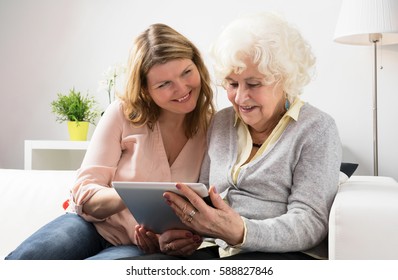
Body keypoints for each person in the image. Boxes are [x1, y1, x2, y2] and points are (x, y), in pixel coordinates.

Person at [130, 12, 342, 260]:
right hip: (213, 250)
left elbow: (311, 223)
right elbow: (206, 200)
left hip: (280, 254)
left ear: (284, 79)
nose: (240, 98)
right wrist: (182, 237)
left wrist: (242, 231)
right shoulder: (221, 122)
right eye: (232, 84)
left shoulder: (317, 128)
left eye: (253, 84)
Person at [5, 23, 215, 260]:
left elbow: (203, 209)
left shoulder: (213, 130)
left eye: (186, 72)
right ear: (146, 90)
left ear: (197, 65)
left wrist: (172, 239)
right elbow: (85, 192)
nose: (181, 88)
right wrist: (132, 197)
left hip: (139, 246)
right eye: (164, 84)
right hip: (90, 225)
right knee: (27, 259)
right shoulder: (123, 113)